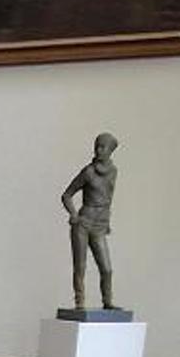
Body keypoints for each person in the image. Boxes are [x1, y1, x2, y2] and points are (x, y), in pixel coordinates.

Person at [62, 133, 119, 314]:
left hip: (100, 225)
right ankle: (79, 302)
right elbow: (67, 195)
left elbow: (108, 199)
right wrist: (73, 214)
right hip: (84, 222)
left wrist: (106, 221)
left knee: (107, 269)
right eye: (97, 146)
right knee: (80, 265)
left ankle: (107, 301)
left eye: (103, 147)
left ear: (111, 151)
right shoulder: (88, 172)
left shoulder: (113, 171)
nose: (98, 150)